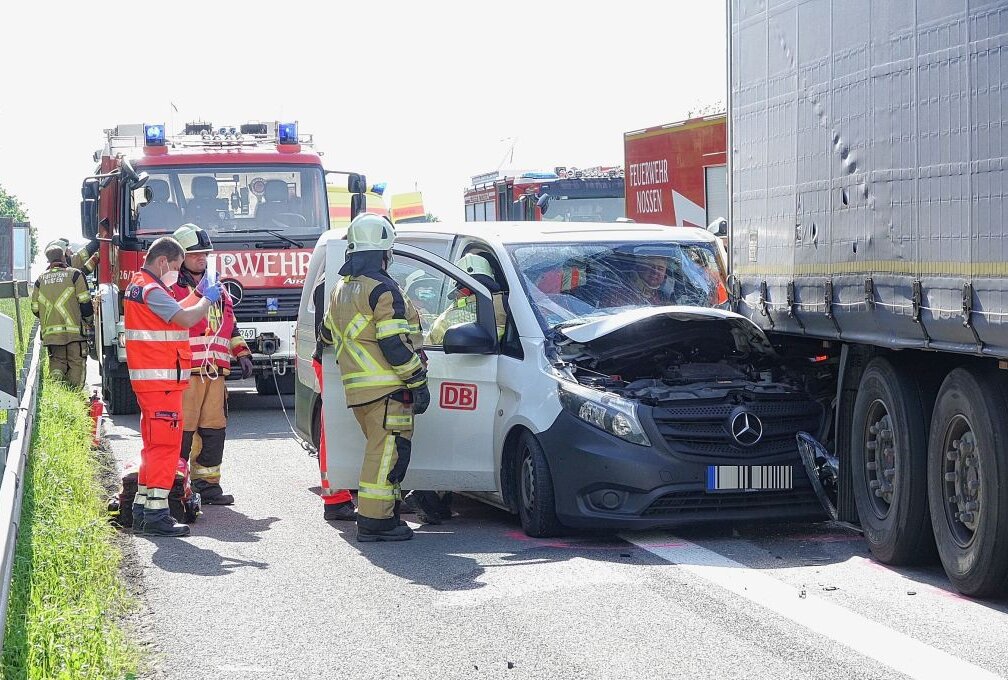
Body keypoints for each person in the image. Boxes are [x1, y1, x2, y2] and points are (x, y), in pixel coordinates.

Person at [322, 213, 430, 542]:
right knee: (386, 456)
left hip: (359, 391)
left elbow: (327, 334)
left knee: (384, 454)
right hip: (388, 390)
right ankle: (375, 521)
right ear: (384, 253)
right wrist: (418, 382)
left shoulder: (342, 287)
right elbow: (394, 345)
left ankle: (386, 512)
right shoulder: (384, 290)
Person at [124, 236, 222, 537]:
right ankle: (156, 515)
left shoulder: (143, 286)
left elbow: (174, 311)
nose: (177, 272)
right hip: (161, 384)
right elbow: (186, 318)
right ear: (163, 261)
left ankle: (143, 510)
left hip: (156, 383)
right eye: (177, 266)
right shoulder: (151, 289)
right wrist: (207, 300)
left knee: (154, 448)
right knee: (165, 449)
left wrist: (197, 294)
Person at [168, 224, 254, 506]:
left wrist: (241, 352)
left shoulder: (219, 288)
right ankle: (176, 486)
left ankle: (208, 486)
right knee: (183, 431)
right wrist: (200, 295)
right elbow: (177, 316)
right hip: (186, 373)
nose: (202, 258)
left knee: (214, 430)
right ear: (180, 257)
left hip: (215, 373)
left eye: (205, 253)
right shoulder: (171, 288)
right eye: (195, 254)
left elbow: (230, 325)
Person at [310, 272, 357, 521]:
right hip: (336, 361)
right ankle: (336, 498)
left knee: (336, 430)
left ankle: (337, 496)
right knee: (334, 430)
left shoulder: (335, 283)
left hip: (336, 360)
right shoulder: (337, 285)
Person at [30, 244, 93, 388]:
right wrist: (89, 321)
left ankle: (58, 393)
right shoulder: (75, 274)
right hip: (75, 334)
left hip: (52, 335)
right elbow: (85, 303)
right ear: (63, 257)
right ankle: (74, 397)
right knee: (76, 363)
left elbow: (34, 309)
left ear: (48, 261)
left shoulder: (40, 280)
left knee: (57, 363)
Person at [428, 253, 507, 345]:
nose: (457, 296)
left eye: (458, 290)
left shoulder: (446, 318)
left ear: (463, 288)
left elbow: (430, 343)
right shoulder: (507, 303)